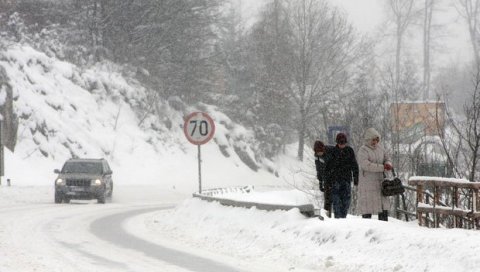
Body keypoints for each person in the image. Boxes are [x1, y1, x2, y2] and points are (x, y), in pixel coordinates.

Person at [356, 127, 392, 221]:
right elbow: (366, 165)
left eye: (376, 139)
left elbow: (387, 158)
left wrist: (388, 163)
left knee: (382, 205)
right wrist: (382, 167)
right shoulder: (363, 150)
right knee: (368, 206)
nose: (375, 142)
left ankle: (384, 224)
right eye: (373, 140)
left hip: (380, 181)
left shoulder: (381, 148)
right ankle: (367, 226)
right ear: (368, 139)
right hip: (368, 183)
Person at [325, 133, 359, 219]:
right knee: (336, 202)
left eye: (343, 142)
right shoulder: (332, 151)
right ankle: (338, 219)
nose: (342, 144)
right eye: (340, 142)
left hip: (346, 180)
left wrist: (356, 178)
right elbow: (328, 167)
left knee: (346, 202)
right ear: (337, 142)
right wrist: (328, 181)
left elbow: (354, 165)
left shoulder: (349, 151)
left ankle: (343, 218)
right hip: (335, 180)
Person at [313, 140, 332, 217]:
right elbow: (319, 170)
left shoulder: (330, 152)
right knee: (327, 200)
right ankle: (327, 217)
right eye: (318, 152)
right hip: (326, 180)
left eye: (321, 151)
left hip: (335, 178)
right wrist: (320, 182)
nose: (320, 153)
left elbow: (333, 167)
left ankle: (339, 219)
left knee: (337, 200)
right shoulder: (316, 156)